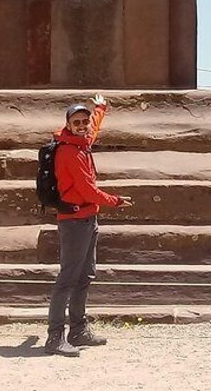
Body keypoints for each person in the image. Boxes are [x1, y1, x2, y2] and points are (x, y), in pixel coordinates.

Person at [45, 94, 131, 357]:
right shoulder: (70, 152)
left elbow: (92, 131)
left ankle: (78, 330)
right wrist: (114, 201)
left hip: (88, 218)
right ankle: (55, 336)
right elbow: (87, 190)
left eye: (84, 121)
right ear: (68, 126)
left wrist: (100, 109)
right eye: (77, 122)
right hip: (74, 221)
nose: (83, 125)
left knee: (85, 276)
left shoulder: (81, 143)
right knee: (68, 279)